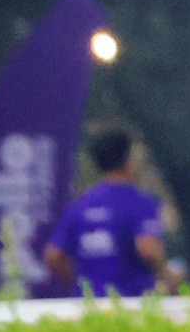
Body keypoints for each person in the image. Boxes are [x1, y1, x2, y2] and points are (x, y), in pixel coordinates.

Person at [42, 126, 175, 298]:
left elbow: (53, 256)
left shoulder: (81, 206)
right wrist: (167, 276)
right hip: (132, 303)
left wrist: (81, 282)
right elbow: (148, 248)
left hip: (90, 305)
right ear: (129, 160)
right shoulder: (140, 203)